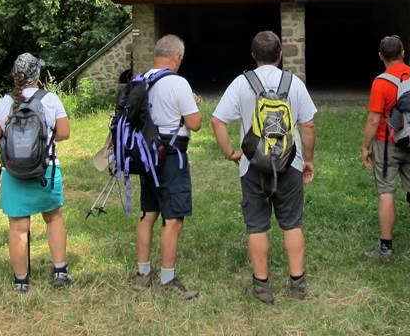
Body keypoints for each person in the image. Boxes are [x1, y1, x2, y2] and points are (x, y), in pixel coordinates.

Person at [211, 30, 317, 304]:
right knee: (292, 224)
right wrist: (308, 159)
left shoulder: (241, 83)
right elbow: (308, 125)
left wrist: (230, 153)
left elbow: (217, 121)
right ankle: (297, 284)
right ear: (280, 55)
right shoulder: (294, 83)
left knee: (257, 226)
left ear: (253, 55)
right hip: (289, 163)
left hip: (252, 165)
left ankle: (262, 285)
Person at [0, 53, 72, 292]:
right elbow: (64, 133)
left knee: (18, 226)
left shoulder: (4, 102)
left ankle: (21, 280)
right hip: (46, 170)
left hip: (13, 173)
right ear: (38, 75)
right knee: (53, 218)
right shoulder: (51, 100)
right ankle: (60, 271)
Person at [130, 34, 202, 299]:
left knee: (148, 213)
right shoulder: (177, 83)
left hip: (145, 154)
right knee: (173, 219)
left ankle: (142, 273)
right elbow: (194, 124)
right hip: (171, 156)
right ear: (176, 57)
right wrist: (192, 105)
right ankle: (167, 278)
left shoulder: (141, 79)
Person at [361, 35, 410, 257]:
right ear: (403, 52)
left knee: (386, 193)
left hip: (387, 144)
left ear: (380, 56)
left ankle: (386, 246)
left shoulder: (381, 82)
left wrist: (366, 147)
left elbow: (374, 120)